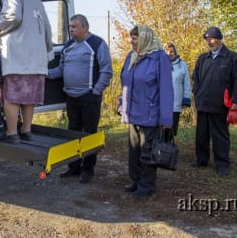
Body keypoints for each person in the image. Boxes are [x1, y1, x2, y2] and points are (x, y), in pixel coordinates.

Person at [48, 14, 112, 184]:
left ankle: (87, 170)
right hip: (71, 97)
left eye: (74, 26)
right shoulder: (67, 46)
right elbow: (60, 70)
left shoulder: (97, 44)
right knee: (72, 132)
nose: (71, 29)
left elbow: (107, 70)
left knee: (89, 134)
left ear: (85, 27)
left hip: (89, 97)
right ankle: (73, 167)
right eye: (70, 26)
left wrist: (96, 90)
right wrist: (43, 73)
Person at [0, 0, 53, 144]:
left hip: (18, 56)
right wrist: (47, 50)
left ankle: (11, 133)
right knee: (29, 97)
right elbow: (48, 29)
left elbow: (13, 17)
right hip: (37, 59)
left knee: (12, 97)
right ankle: (27, 130)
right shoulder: (38, 2)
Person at [118, 25, 174, 199]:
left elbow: (166, 89)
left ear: (145, 39)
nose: (131, 41)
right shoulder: (131, 56)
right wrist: (122, 105)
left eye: (135, 38)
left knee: (148, 151)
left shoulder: (160, 58)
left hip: (150, 115)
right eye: (131, 38)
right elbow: (125, 83)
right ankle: (135, 181)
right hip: (133, 112)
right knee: (134, 150)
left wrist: (166, 118)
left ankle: (147, 186)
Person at [191, 27, 237, 176]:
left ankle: (222, 164)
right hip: (203, 103)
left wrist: (235, 101)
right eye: (207, 40)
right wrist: (197, 93)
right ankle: (201, 160)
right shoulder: (203, 58)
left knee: (220, 136)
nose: (209, 42)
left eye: (212, 39)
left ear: (220, 39)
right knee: (201, 135)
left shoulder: (231, 57)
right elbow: (195, 78)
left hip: (221, 106)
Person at [163, 42, 192, 135]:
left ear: (175, 52)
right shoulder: (160, 65)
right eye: (167, 51)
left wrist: (186, 100)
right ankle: (159, 149)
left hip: (175, 104)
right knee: (161, 131)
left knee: (171, 131)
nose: (169, 53)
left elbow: (187, 83)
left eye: (171, 51)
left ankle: (169, 148)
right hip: (161, 104)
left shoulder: (182, 65)